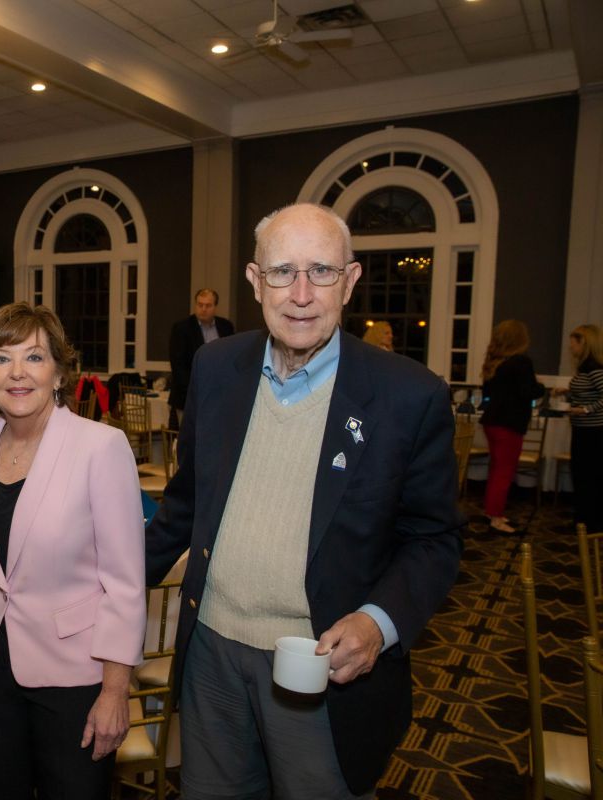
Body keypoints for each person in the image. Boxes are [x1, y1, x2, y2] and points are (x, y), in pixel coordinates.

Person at [145, 203, 463, 799]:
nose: (300, 294)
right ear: (253, 279)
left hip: (319, 667)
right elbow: (185, 506)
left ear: (350, 281)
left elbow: (433, 540)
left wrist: (378, 623)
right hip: (210, 650)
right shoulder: (215, 368)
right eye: (281, 272)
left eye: (320, 271)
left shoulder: (407, 396)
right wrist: (102, 587)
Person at [0, 302, 146, 798]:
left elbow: (125, 583)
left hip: (73, 676)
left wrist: (116, 690)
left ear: (58, 371)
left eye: (34, 357)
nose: (18, 373)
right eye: (1, 359)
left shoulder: (101, 447)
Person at [479, 320, 545, 534]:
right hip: (509, 423)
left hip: (492, 422)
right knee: (504, 471)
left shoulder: (496, 363)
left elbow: (488, 392)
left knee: (497, 469)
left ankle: (491, 511)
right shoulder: (521, 362)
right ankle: (496, 518)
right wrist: (541, 387)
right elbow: (529, 391)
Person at [168, 288, 234, 428]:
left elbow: (231, 361)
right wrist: (197, 393)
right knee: (189, 442)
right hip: (188, 397)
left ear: (215, 307)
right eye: (200, 304)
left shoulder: (226, 327)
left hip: (219, 396)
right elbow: (178, 366)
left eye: (208, 305)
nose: (203, 309)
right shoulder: (182, 328)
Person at [562, 324, 603, 531]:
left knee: (588, 476)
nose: (571, 348)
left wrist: (586, 410)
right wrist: (566, 393)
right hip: (582, 430)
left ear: (584, 343)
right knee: (581, 474)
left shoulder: (595, 368)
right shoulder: (585, 368)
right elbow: (585, 393)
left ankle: (589, 522)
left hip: (593, 432)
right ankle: (583, 520)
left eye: (573, 344)